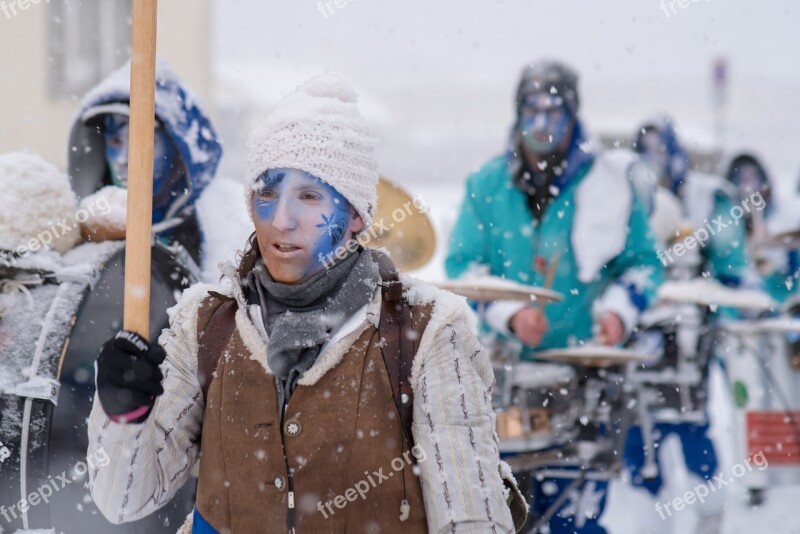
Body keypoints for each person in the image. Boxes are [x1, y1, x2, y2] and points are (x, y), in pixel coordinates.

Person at [87, 75, 526, 534]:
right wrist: (123, 416)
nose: (281, 220)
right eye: (267, 193)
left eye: (310, 196)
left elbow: (473, 520)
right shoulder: (205, 323)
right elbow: (123, 501)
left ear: (356, 214)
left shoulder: (428, 332)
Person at [445, 60, 663, 533]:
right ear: (518, 113)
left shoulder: (609, 184)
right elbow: (461, 266)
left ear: (573, 115)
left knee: (574, 519)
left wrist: (619, 315)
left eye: (555, 110)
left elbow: (646, 265)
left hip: (582, 375)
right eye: (532, 109)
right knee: (505, 516)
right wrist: (509, 313)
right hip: (502, 374)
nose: (542, 123)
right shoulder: (485, 185)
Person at [624, 117, 754, 533]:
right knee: (640, 434)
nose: (655, 161)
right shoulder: (626, 197)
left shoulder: (707, 198)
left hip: (690, 337)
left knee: (690, 424)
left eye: (661, 151)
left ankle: (708, 518)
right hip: (637, 335)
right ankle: (651, 516)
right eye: (646, 152)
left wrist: (707, 295)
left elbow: (731, 267)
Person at [68, 58, 222, 266]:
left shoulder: (224, 234)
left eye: (139, 141)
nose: (123, 159)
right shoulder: (71, 230)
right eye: (115, 140)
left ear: (178, 147)